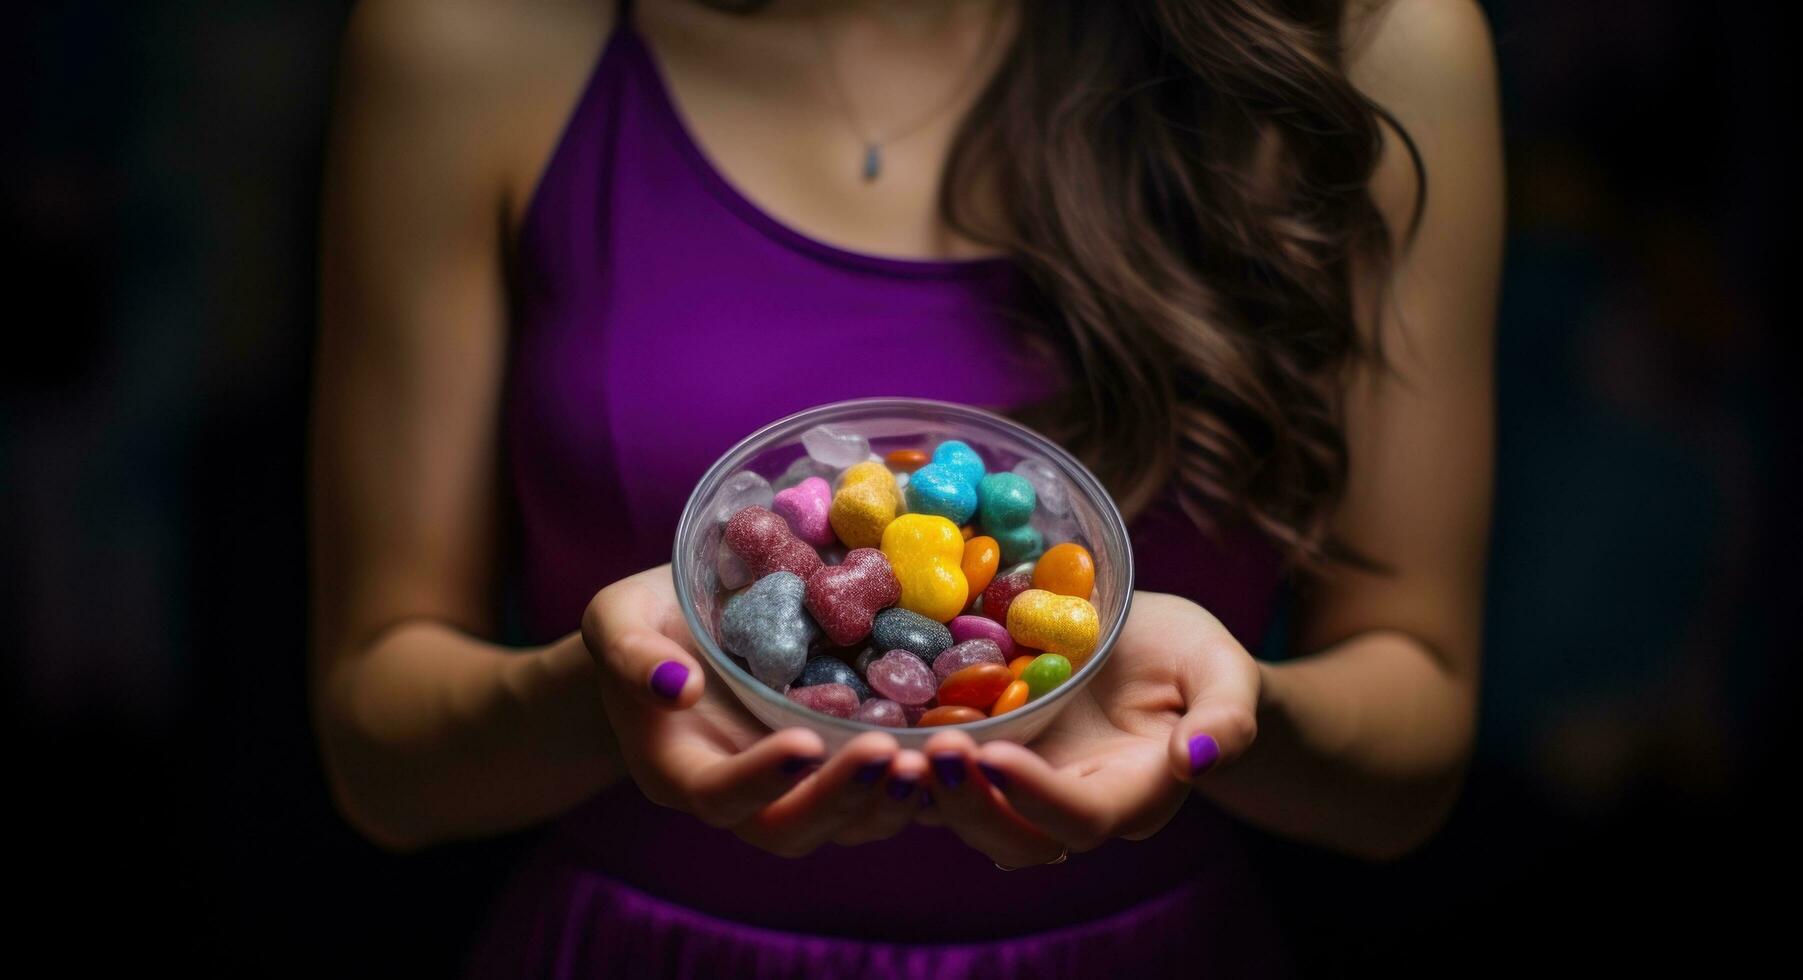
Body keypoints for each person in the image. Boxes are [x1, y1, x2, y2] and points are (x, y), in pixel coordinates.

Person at [309, 0, 1502, 974]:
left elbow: (1415, 751)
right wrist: (623, 689)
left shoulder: (1366, 41)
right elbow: (379, 760)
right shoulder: (472, 35)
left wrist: (1223, 718)